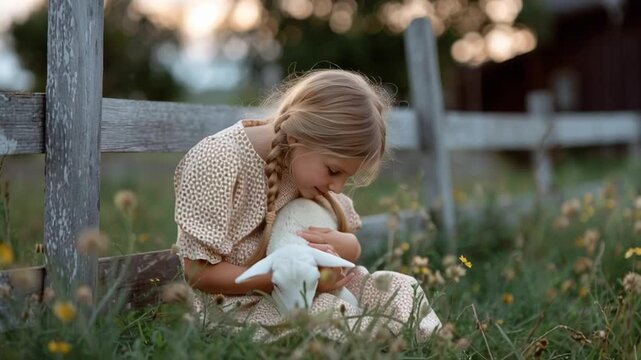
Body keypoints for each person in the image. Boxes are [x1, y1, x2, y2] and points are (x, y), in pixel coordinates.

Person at [173, 69, 441, 342]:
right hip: (238, 304)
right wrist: (298, 280)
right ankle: (386, 341)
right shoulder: (218, 161)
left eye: (346, 177)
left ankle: (417, 340)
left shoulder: (300, 167)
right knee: (328, 312)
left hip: (310, 286)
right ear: (296, 138)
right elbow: (197, 273)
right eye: (334, 171)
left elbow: (347, 244)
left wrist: (343, 245)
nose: (337, 187)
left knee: (401, 288)